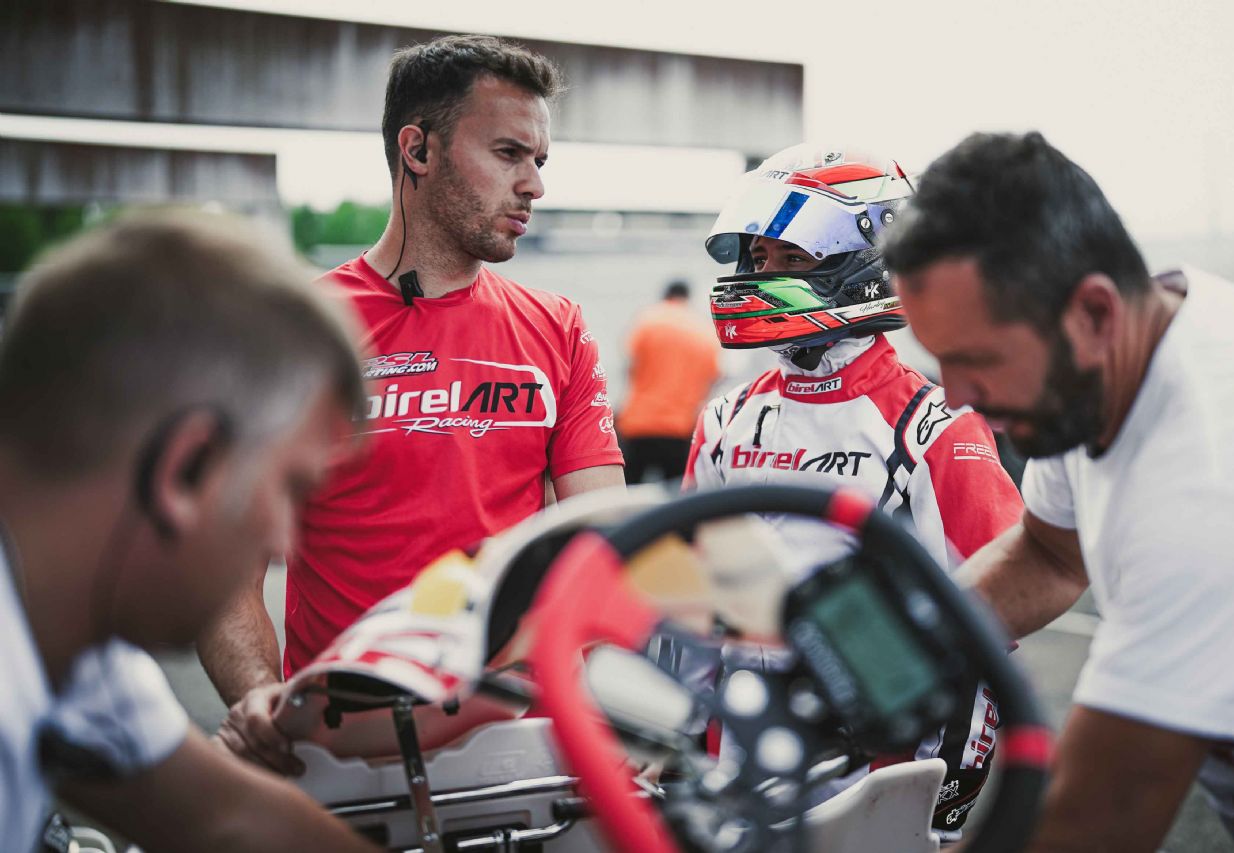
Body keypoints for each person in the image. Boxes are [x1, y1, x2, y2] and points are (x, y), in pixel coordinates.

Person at [200, 34, 625, 774]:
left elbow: (605, 543)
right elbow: (224, 565)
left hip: (528, 748)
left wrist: (620, 710)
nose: (534, 185)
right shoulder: (296, 332)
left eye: (539, 160)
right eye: (508, 153)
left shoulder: (558, 326)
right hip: (350, 750)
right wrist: (260, 699)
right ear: (417, 150)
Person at [883, 130, 1234, 851]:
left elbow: (1092, 822)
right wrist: (887, 657)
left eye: (976, 360)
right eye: (940, 360)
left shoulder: (1212, 489)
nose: (957, 396)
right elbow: (1048, 554)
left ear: (1095, 314)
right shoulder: (1109, 359)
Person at [0, 213, 377, 852]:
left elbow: (230, 818)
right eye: (288, 488)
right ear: (185, 468)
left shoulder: (71, 637)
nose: (284, 541)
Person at [684, 144, 1023, 835]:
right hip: (735, 771)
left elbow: (991, 627)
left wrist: (943, 808)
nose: (761, 277)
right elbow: (688, 606)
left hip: (871, 780)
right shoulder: (724, 420)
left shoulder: (932, 426)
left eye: (790, 258)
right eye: (757, 258)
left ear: (866, 265)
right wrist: (671, 749)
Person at [616, 279, 720, 484]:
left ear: (665, 296)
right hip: (680, 428)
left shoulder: (647, 320)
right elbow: (713, 378)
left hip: (638, 424)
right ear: (687, 298)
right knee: (677, 497)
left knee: (627, 493)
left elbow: (629, 366)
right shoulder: (703, 331)